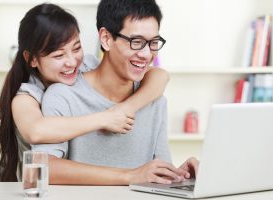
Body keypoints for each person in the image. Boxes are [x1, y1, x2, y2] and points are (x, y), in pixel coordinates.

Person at [0, 3, 170, 182]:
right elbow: (36, 132)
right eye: (58, 55)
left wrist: (125, 108)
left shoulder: (86, 66)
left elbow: (160, 76)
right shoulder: (28, 96)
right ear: (31, 59)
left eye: (77, 48)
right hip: (23, 184)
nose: (71, 62)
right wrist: (104, 118)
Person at [32, 0, 198, 185]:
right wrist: (130, 176)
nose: (146, 54)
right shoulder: (62, 96)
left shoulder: (154, 100)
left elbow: (158, 175)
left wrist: (180, 175)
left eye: (153, 43)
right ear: (106, 39)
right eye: (136, 42)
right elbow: (44, 168)